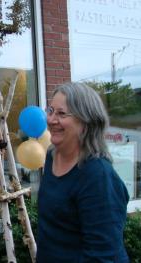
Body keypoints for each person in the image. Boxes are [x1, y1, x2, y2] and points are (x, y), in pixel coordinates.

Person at [37, 82, 129, 262]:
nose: (51, 120)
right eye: (50, 111)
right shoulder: (52, 156)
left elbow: (103, 255)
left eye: (61, 113)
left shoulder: (98, 176)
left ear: (86, 121)